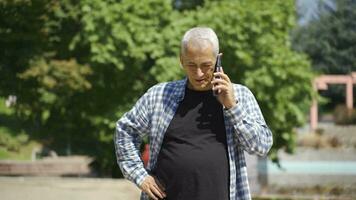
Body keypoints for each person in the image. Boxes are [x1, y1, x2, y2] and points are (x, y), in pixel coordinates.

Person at [114, 27, 273, 200]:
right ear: (181, 60)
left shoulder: (240, 95)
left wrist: (232, 106)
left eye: (206, 66)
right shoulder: (159, 95)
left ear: (218, 60)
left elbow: (261, 146)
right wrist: (140, 176)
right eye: (191, 65)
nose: (198, 73)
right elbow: (124, 130)